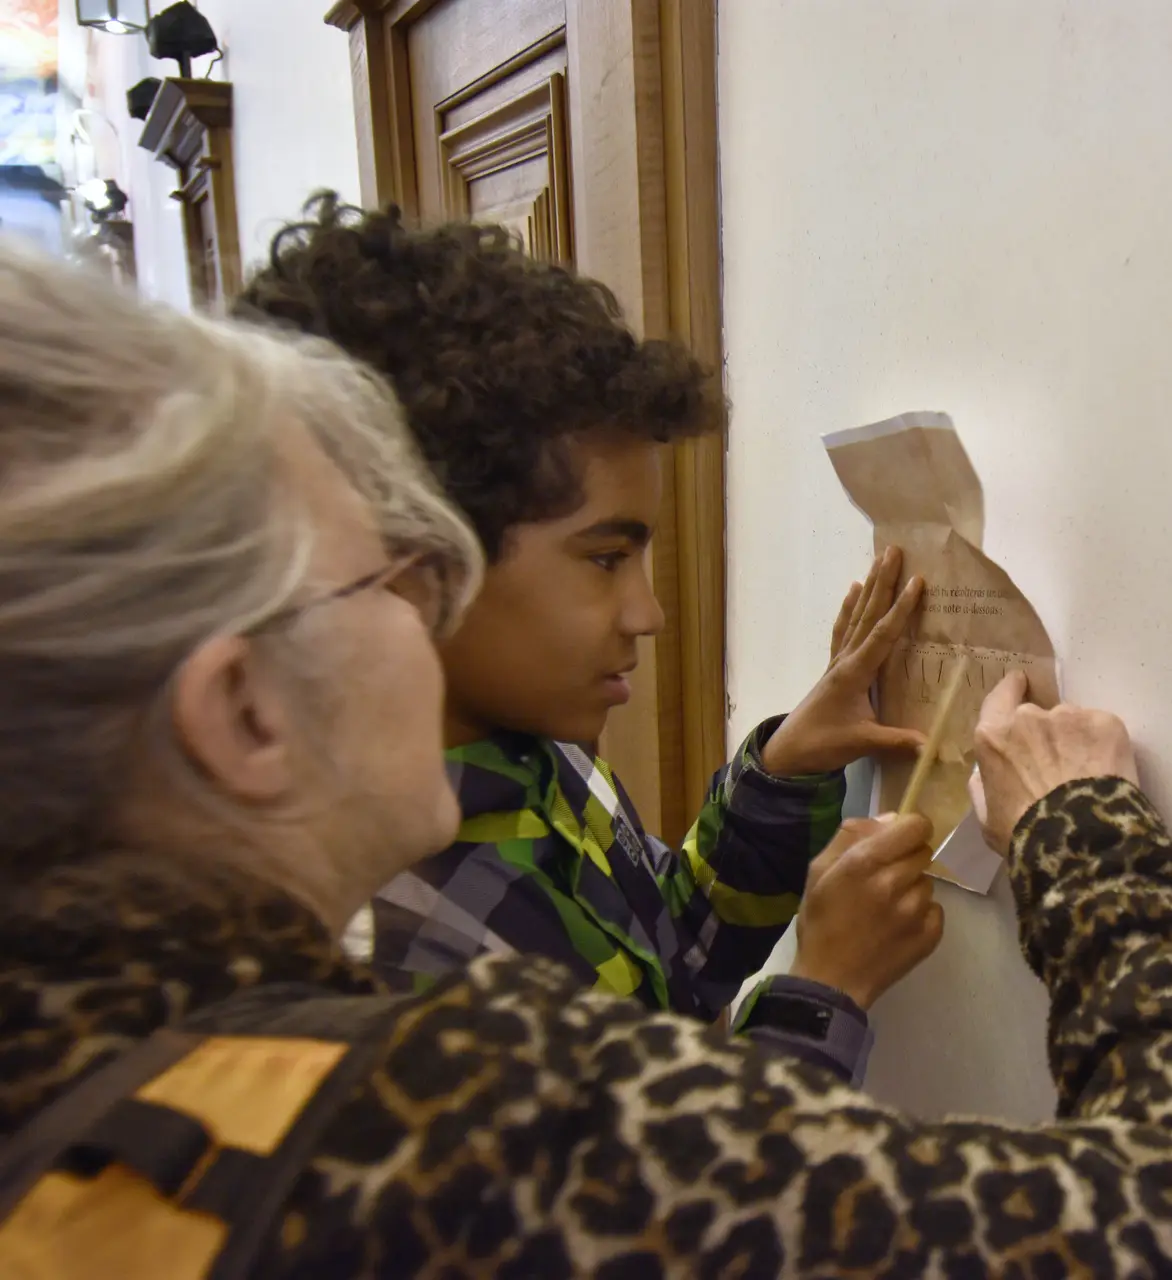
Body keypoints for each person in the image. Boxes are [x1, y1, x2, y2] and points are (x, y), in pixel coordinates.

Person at [0, 244, 1172, 1275]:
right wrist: (1088, 840)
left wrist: (773, 795)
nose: (427, 617)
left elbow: (660, 952)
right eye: (395, 580)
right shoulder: (430, 1117)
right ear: (240, 711)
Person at [236, 195, 939, 1085]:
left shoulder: (544, 752)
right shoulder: (382, 957)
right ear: (413, 556)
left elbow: (676, 955)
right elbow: (683, 1216)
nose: (647, 614)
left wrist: (784, 779)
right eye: (605, 559)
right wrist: (824, 992)